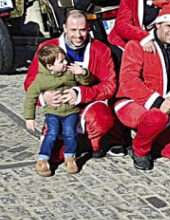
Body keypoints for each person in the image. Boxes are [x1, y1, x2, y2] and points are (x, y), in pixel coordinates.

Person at [23, 10, 119, 159]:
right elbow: (30, 82)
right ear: (64, 28)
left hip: (88, 106)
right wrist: (44, 97)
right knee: (54, 155)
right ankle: (63, 137)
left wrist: (80, 94)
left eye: (82, 30)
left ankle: (89, 142)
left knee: (102, 120)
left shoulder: (100, 50)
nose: (78, 35)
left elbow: (109, 86)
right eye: (73, 30)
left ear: (88, 28)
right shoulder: (47, 47)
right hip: (59, 108)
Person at [114, 4, 170, 171]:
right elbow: (129, 81)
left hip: (164, 109)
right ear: (157, 25)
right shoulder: (137, 45)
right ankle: (139, 149)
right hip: (132, 103)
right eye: (168, 26)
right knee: (157, 118)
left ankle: (150, 137)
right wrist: (157, 102)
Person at [24, 45, 95, 176]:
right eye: (61, 61)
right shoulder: (41, 79)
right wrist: (29, 117)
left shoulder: (69, 72)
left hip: (70, 111)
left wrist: (83, 73)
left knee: (70, 133)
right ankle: (43, 159)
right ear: (50, 66)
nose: (66, 63)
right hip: (53, 112)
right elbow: (30, 96)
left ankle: (70, 157)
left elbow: (86, 83)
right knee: (52, 133)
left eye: (65, 59)